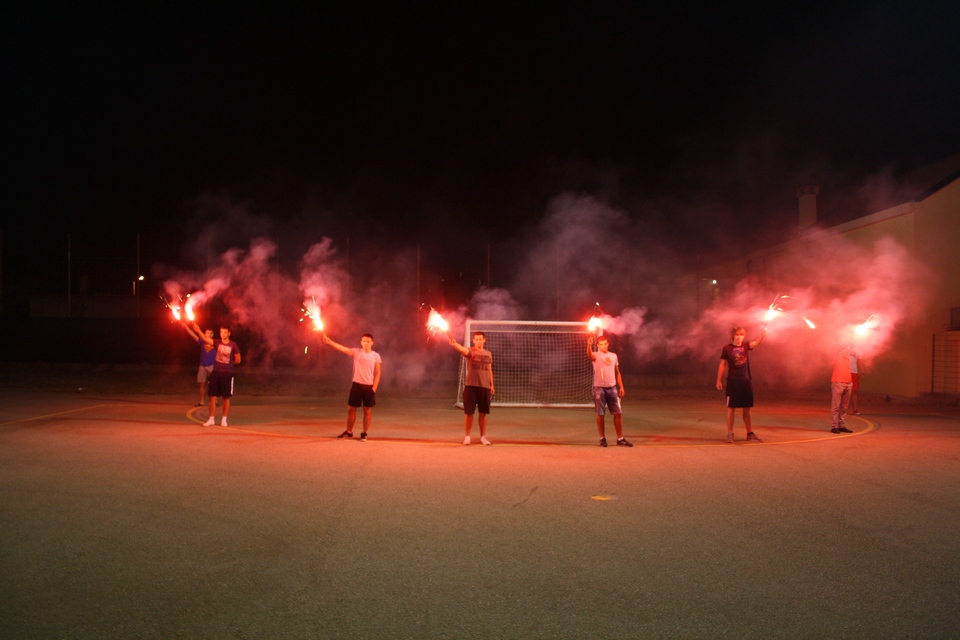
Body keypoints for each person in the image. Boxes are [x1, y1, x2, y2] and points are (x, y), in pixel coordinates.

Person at [324, 333, 382, 442]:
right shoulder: (357, 352)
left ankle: (364, 433)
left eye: (368, 341)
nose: (366, 343)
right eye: (364, 341)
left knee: (367, 411)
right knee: (351, 410)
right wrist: (330, 342)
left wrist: (374, 388)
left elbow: (378, 372)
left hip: (369, 387)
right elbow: (344, 349)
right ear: (361, 342)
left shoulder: (376, 356)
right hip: (356, 385)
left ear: (372, 343)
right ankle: (349, 432)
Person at [716, 326, 767, 443]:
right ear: (733, 336)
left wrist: (762, 336)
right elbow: (722, 364)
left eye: (741, 335)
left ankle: (750, 434)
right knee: (730, 408)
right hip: (733, 382)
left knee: (747, 409)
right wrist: (718, 380)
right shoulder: (727, 348)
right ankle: (730, 434)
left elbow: (755, 344)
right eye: (737, 335)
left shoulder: (745, 345)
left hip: (746, 381)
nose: (739, 337)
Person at [449, 331, 493, 445]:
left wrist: (491, 385)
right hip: (471, 386)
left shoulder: (488, 354)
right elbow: (462, 349)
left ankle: (483, 437)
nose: (478, 341)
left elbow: (489, 369)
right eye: (476, 339)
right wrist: (454, 344)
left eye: (480, 339)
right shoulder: (470, 351)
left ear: (484, 340)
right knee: (469, 413)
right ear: (474, 341)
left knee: (483, 413)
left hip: (485, 387)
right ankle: (467, 436)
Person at [587, 334, 631, 447]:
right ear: (598, 345)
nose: (603, 346)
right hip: (599, 388)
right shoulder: (596, 355)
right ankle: (602, 438)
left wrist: (621, 386)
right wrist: (588, 345)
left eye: (605, 344)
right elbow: (589, 354)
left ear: (608, 344)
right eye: (601, 344)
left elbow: (617, 372)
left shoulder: (613, 356)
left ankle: (620, 438)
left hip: (612, 388)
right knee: (600, 414)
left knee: (618, 413)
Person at [203, 326, 241, 427]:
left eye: (225, 332)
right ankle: (211, 419)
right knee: (212, 396)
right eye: (221, 332)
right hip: (216, 372)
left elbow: (238, 360)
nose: (223, 334)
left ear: (229, 333)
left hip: (227, 373)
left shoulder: (233, 345)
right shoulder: (217, 342)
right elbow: (206, 339)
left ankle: (224, 419)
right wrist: (198, 330)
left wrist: (229, 363)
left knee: (226, 397)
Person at [182, 320, 216, 407]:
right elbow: (193, 335)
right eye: (207, 333)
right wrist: (186, 327)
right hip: (202, 366)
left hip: (212, 366)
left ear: (212, 335)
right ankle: (201, 401)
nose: (208, 334)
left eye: (210, 333)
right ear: (205, 334)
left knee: (213, 385)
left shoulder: (215, 343)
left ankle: (214, 401)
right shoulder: (202, 341)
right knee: (202, 384)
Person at [830, 345, 855, 434]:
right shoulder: (836, 352)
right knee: (836, 406)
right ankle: (834, 426)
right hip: (838, 381)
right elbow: (836, 349)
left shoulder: (849, 352)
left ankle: (841, 425)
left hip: (848, 382)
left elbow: (857, 352)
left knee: (844, 407)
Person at [849, 349, 865, 415]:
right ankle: (841, 408)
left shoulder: (858, 350)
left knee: (854, 391)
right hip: (845, 372)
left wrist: (862, 372)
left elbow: (860, 362)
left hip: (854, 372)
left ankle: (855, 409)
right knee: (843, 390)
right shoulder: (845, 348)